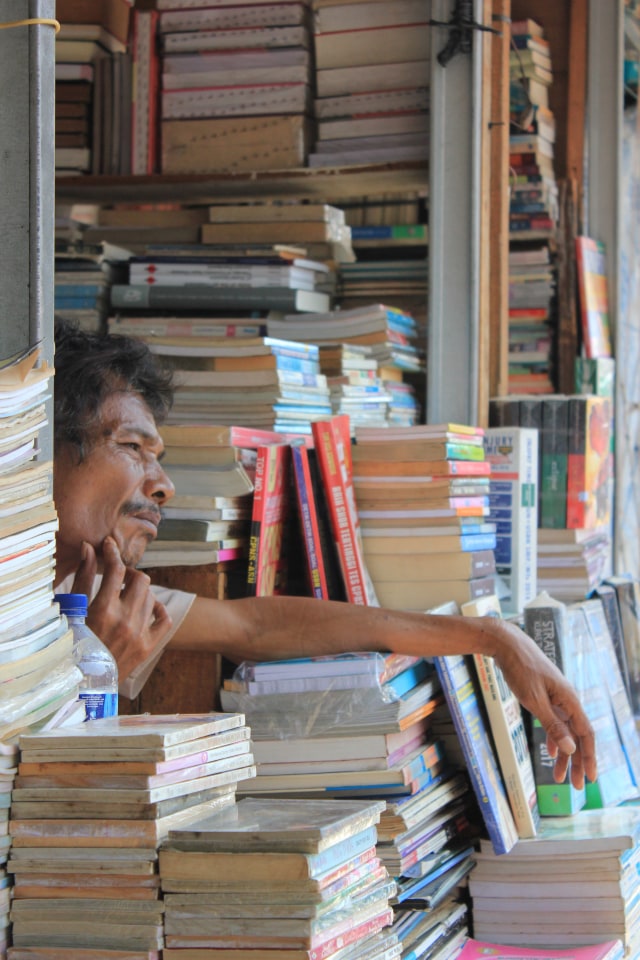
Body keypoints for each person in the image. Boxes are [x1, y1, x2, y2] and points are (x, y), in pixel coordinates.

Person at [52, 318, 596, 791]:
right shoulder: (45, 610)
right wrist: (92, 677)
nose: (164, 484)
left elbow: (256, 628)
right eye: (132, 447)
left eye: (159, 456)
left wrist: (493, 638)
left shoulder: (89, 592)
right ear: (36, 452)